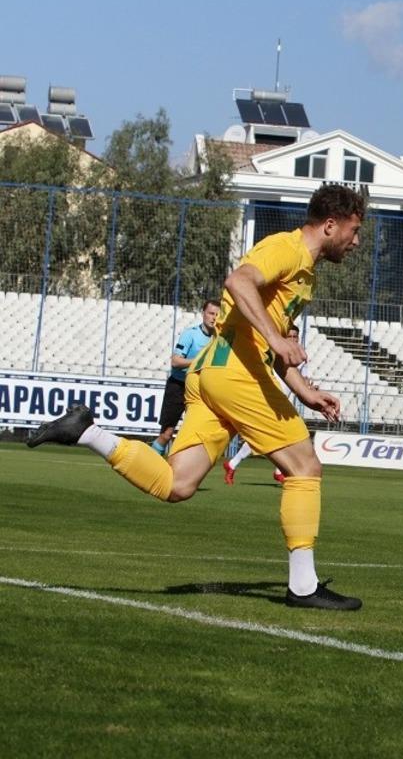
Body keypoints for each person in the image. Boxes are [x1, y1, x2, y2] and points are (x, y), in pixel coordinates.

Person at [27, 184, 366, 610]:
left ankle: (88, 432)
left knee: (178, 484)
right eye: (353, 232)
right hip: (235, 377)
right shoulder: (287, 249)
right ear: (330, 224)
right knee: (304, 467)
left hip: (210, 373)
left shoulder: (304, 270)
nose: (356, 243)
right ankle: (303, 587)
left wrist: (305, 390)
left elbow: (269, 342)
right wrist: (279, 343)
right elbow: (238, 282)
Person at [224, 325, 304, 485]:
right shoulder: (275, 353)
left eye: (296, 337)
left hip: (283, 404)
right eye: (290, 336)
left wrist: (308, 387)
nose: (293, 339)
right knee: (266, 436)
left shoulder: (300, 357)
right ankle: (277, 471)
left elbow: (299, 380)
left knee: (272, 437)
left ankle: (234, 464)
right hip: (270, 400)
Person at [151, 300, 220, 455]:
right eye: (211, 313)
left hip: (199, 390)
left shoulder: (219, 339)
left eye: (217, 314)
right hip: (178, 386)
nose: (214, 318)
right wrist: (199, 362)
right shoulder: (191, 334)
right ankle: (150, 460)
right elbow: (175, 361)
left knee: (193, 434)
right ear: (203, 313)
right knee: (167, 433)